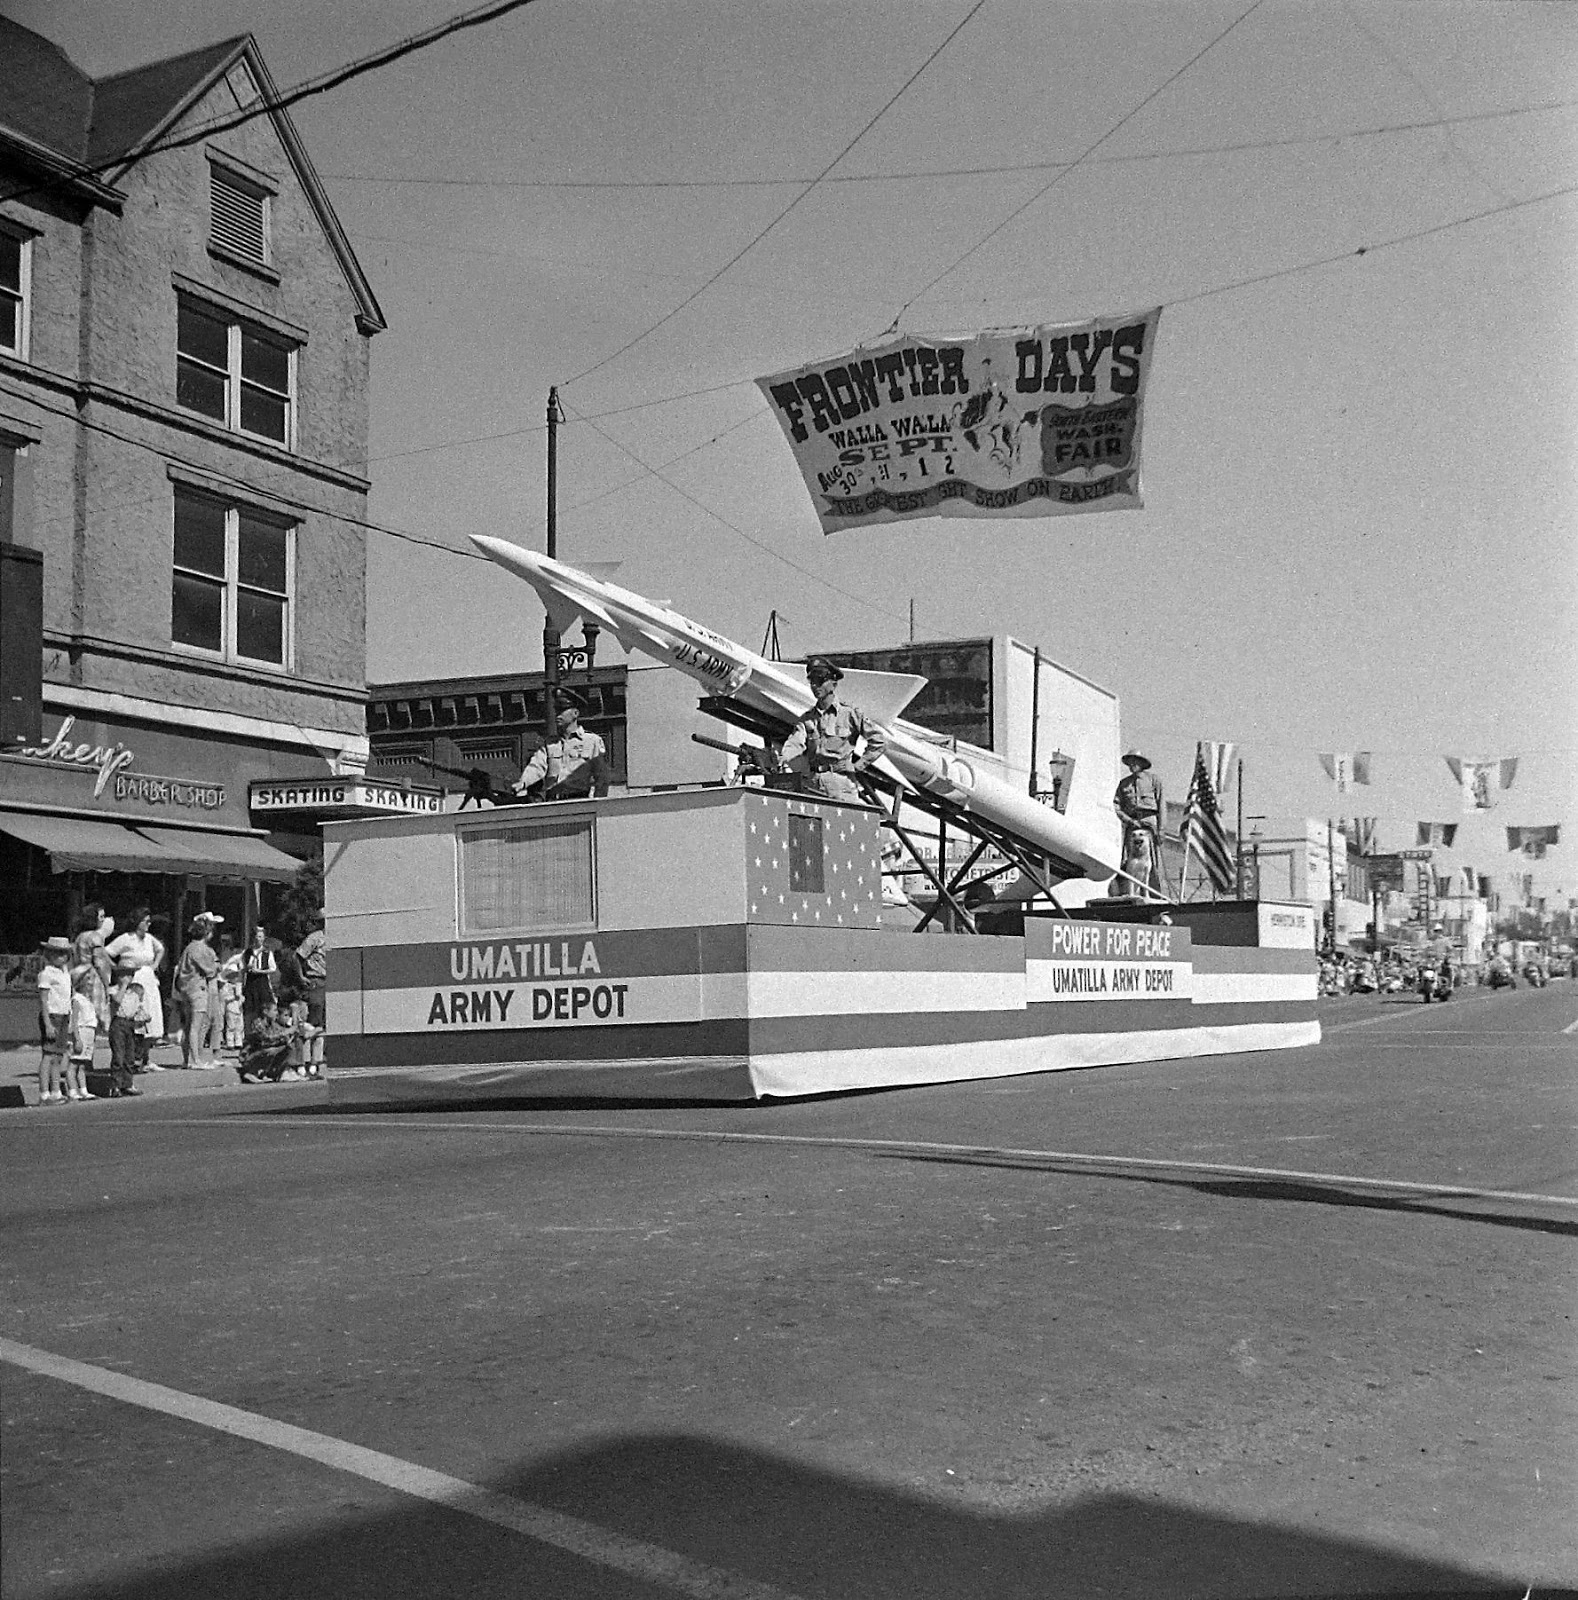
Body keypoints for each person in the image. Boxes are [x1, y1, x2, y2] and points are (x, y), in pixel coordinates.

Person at [779, 658, 886, 804]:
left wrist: (857, 766)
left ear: (833, 684)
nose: (815, 686)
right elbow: (793, 746)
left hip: (841, 786)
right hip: (813, 785)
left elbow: (879, 741)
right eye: (812, 682)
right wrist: (801, 769)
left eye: (820, 681)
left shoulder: (849, 714)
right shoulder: (807, 719)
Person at [513, 697, 609, 800]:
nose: (557, 715)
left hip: (578, 802)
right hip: (553, 802)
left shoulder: (592, 741)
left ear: (575, 713)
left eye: (562, 711)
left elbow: (602, 778)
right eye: (556, 711)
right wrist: (523, 782)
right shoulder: (550, 744)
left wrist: (598, 806)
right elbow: (536, 766)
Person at [106, 908, 165, 1072]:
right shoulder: (126, 939)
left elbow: (160, 949)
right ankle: (134, 1059)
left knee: (150, 1019)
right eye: (145, 921)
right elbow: (106, 952)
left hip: (148, 979)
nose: (148, 924)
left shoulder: (149, 939)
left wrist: (154, 965)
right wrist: (117, 968)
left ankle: (146, 1058)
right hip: (133, 979)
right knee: (136, 1020)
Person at [173, 914, 221, 1069]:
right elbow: (211, 970)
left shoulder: (188, 948)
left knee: (188, 1026)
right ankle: (196, 1060)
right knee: (196, 1026)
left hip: (185, 989)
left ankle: (187, 1059)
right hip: (198, 989)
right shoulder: (201, 949)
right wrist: (217, 967)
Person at [1113, 750, 1163, 897]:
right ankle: (1131, 893)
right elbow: (1117, 805)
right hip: (1132, 826)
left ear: (1142, 764)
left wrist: (1161, 830)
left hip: (1149, 826)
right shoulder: (1124, 783)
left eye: (1135, 762)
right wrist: (1128, 820)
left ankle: (1152, 894)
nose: (1132, 765)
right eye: (1130, 762)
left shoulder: (1154, 780)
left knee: (1151, 862)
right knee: (1131, 862)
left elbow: (1161, 805)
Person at [36, 935, 73, 1106]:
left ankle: (56, 1090)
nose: (62, 957)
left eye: (64, 953)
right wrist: (47, 1023)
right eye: (57, 953)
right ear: (49, 954)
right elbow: (43, 1000)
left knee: (58, 1055)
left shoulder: (64, 973)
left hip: (63, 1014)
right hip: (52, 1015)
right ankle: (44, 1093)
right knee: (48, 1055)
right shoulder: (46, 974)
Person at [106, 957, 146, 1097]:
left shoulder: (134, 993)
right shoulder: (114, 990)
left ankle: (128, 1083)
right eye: (123, 974)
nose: (127, 978)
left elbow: (137, 1009)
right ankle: (115, 1085)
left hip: (130, 1024)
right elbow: (116, 1001)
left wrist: (142, 1017)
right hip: (118, 1023)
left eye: (129, 974)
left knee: (130, 1056)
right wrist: (123, 986)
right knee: (118, 1056)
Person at [295, 909, 327, 1075]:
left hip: (331, 982)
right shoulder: (315, 938)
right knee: (312, 1023)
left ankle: (317, 1060)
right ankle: (307, 1061)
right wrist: (301, 977)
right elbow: (298, 956)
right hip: (316, 980)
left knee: (323, 1025)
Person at [238, 1000, 298, 1083]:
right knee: (270, 1050)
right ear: (265, 1012)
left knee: (287, 1048)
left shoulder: (272, 1024)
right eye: (274, 1010)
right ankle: (251, 1073)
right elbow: (266, 1039)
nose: (276, 1013)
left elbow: (280, 1033)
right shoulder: (258, 1023)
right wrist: (284, 1033)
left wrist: (289, 1035)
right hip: (250, 1054)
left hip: (262, 1051)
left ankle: (267, 1073)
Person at [239, 923, 279, 1034]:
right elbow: (242, 968)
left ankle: (267, 1031)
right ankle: (251, 1032)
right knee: (251, 1008)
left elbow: (273, 968)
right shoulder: (247, 952)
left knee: (265, 1006)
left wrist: (260, 971)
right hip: (251, 983)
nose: (258, 939)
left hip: (262, 981)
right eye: (257, 936)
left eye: (261, 937)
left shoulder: (267, 952)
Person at [66, 965, 98, 1101]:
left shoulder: (87, 1000)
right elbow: (74, 1021)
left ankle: (84, 1090)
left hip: (89, 1034)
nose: (91, 982)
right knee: (73, 1064)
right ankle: (72, 1090)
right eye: (88, 979)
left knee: (82, 1065)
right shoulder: (77, 1000)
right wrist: (77, 1038)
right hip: (81, 1033)